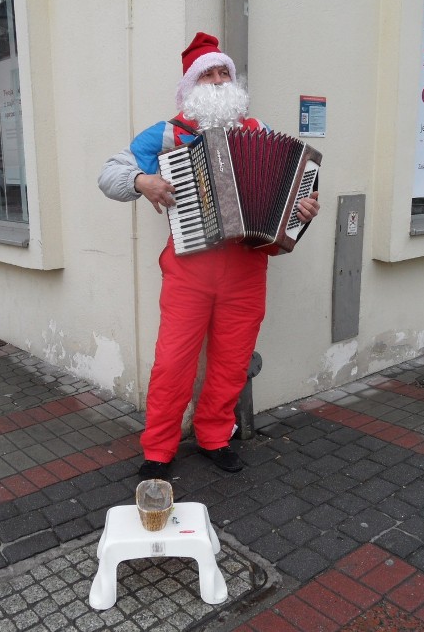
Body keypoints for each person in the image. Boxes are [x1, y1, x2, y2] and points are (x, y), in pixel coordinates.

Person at [98, 32, 320, 480]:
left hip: (246, 268)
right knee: (174, 362)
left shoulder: (257, 133)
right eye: (208, 74)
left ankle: (215, 436)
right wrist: (145, 182)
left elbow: (295, 196)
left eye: (224, 73)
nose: (218, 81)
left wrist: (302, 209)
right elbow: (110, 174)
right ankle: (159, 448)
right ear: (191, 85)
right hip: (188, 268)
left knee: (232, 360)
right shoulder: (167, 133)